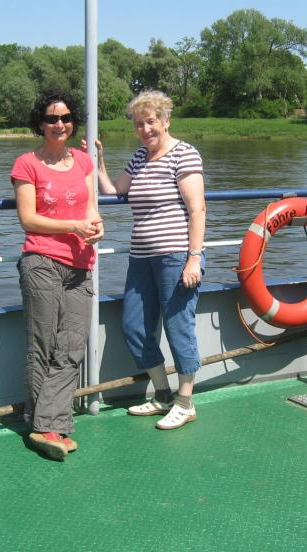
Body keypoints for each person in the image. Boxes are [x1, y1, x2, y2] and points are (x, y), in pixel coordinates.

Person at [96, 89, 206, 430]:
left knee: (178, 328)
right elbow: (114, 190)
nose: (145, 129)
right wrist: (98, 161)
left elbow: (197, 209)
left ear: (166, 120)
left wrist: (193, 259)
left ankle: (185, 402)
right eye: (139, 124)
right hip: (141, 258)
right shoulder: (139, 158)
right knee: (134, 326)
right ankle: (162, 394)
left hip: (176, 257)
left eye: (151, 122)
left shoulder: (184, 154)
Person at [10, 89, 104, 460]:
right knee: (44, 345)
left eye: (65, 118)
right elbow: (28, 219)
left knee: (72, 346)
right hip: (42, 262)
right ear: (40, 124)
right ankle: (48, 427)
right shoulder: (26, 164)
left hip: (80, 265)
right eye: (51, 119)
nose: (59, 124)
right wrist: (73, 226)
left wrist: (96, 226)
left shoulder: (83, 162)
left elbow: (91, 209)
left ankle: (45, 425)